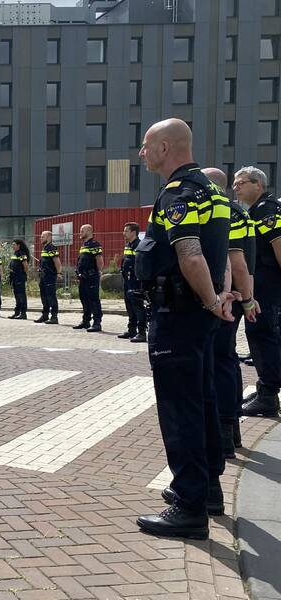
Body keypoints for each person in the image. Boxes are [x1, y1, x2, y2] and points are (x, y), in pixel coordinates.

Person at [134, 118, 232, 540]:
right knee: (204, 399)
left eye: (146, 145)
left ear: (166, 147)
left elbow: (190, 254)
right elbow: (225, 254)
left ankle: (190, 508)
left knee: (181, 409)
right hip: (200, 314)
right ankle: (207, 489)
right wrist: (218, 301)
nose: (141, 153)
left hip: (178, 313)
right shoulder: (214, 192)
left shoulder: (178, 191)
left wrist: (211, 300)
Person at [205, 167, 256, 461]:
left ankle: (223, 434)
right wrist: (248, 298)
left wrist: (235, 299)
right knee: (228, 360)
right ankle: (232, 428)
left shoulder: (223, 212)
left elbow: (234, 261)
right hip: (237, 295)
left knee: (219, 362)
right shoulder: (239, 211)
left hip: (225, 298)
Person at [235, 166, 281, 417]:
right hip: (263, 283)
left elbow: (278, 245)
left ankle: (268, 396)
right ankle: (266, 387)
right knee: (261, 336)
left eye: (241, 183)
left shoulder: (266, 209)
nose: (236, 187)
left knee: (264, 336)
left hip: (267, 285)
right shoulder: (257, 209)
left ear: (258, 185)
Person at [119, 223, 148, 342]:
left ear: (133, 232)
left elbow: (141, 264)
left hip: (136, 281)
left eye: (126, 231)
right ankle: (132, 330)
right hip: (127, 280)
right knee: (129, 306)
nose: (123, 233)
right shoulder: (128, 245)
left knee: (138, 306)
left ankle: (141, 332)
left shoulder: (139, 245)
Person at [74, 224, 104, 332]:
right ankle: (86, 321)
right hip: (83, 277)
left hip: (91, 277)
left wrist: (98, 272)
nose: (80, 232)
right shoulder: (84, 245)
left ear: (89, 231)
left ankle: (97, 323)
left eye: (82, 230)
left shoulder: (94, 244)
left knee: (93, 300)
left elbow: (99, 260)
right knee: (84, 300)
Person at [35, 231, 60, 324]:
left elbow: (57, 262)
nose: (40, 238)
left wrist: (59, 273)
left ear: (49, 237)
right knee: (44, 297)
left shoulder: (52, 248)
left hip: (50, 276)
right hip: (43, 276)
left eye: (43, 236)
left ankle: (54, 317)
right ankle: (45, 315)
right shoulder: (45, 248)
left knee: (51, 297)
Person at [8, 239, 29, 319]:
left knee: (21, 295)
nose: (12, 246)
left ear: (18, 245)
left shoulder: (22, 253)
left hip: (20, 277)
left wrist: (24, 275)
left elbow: (25, 266)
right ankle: (17, 312)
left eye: (14, 244)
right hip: (14, 277)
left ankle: (23, 313)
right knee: (17, 295)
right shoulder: (15, 253)